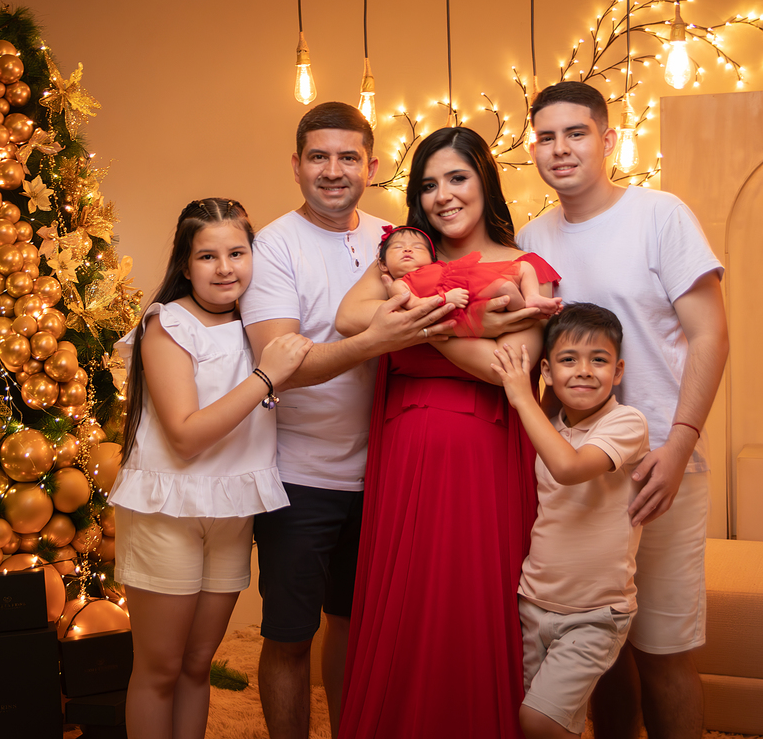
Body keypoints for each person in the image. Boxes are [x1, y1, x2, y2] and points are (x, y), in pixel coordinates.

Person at [239, 102, 458, 739]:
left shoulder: (397, 239)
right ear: (296, 165)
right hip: (298, 476)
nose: (332, 171)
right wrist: (373, 341)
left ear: (373, 165)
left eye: (347, 157)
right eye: (318, 157)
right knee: (289, 635)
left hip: (387, 472)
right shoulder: (273, 247)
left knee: (357, 627)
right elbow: (278, 366)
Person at [517, 81, 729, 739]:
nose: (560, 149)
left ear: (607, 140)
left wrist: (680, 442)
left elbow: (711, 334)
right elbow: (535, 355)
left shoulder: (659, 215)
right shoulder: (531, 238)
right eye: (546, 137)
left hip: (658, 464)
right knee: (596, 652)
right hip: (574, 474)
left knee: (665, 651)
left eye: (576, 133)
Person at [334, 125, 557, 738]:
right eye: (429, 185)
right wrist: (466, 319)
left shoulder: (525, 267)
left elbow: (504, 368)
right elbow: (349, 317)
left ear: (485, 180)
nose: (443, 196)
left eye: (457, 178)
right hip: (406, 446)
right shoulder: (407, 258)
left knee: (473, 601)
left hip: (484, 453)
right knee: (404, 604)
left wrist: (416, 323)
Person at [109, 198, 313, 739]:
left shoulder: (258, 325)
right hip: (169, 508)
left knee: (198, 665)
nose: (225, 268)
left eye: (237, 253)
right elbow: (185, 436)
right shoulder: (167, 324)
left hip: (230, 509)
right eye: (208, 256)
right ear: (185, 263)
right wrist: (266, 377)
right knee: (160, 669)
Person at [491, 304, 649, 739]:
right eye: (568, 359)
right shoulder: (550, 427)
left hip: (595, 614)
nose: (583, 371)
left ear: (617, 371)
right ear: (547, 370)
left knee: (539, 720)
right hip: (533, 602)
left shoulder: (626, 422)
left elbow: (570, 468)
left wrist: (522, 395)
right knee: (551, 722)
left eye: (598, 360)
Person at [378, 224, 563, 335]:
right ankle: (527, 311)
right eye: (398, 247)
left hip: (470, 276)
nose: (408, 249)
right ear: (383, 264)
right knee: (505, 288)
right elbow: (415, 305)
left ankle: (532, 296)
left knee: (524, 267)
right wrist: (445, 299)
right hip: (466, 295)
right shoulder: (400, 283)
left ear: (431, 258)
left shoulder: (439, 266)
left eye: (418, 247)